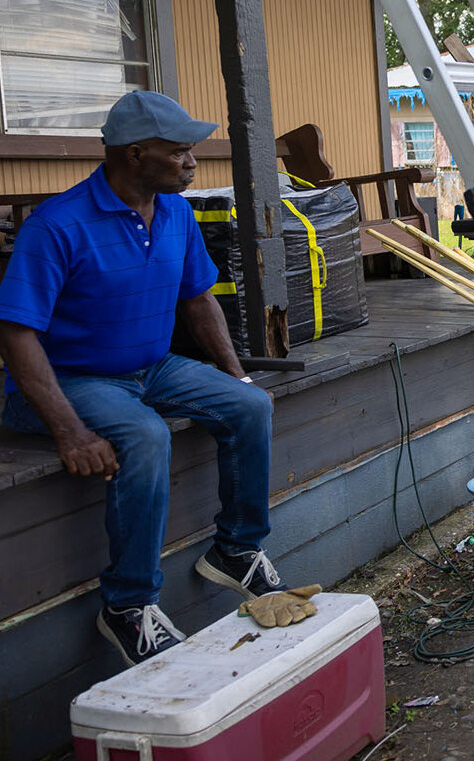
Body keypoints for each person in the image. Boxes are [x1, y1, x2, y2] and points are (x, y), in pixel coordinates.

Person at [0, 92, 286, 666]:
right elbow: (15, 335)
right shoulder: (58, 225)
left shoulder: (176, 211)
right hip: (74, 378)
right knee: (146, 436)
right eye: (179, 152)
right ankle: (128, 606)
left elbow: (199, 299)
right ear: (135, 154)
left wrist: (237, 379)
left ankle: (236, 549)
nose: (191, 162)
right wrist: (70, 433)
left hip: (152, 367)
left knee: (250, 407)